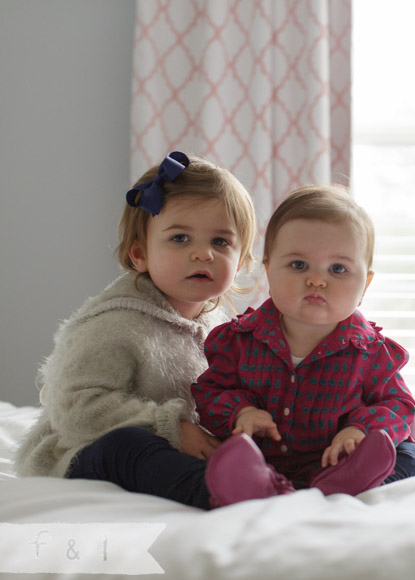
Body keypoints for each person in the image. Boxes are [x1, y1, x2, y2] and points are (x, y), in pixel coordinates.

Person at [14, 151, 294, 509]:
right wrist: (171, 426)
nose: (203, 254)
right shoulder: (113, 324)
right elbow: (75, 408)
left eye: (220, 242)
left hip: (179, 447)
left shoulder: (224, 329)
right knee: (128, 446)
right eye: (180, 238)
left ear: (241, 261)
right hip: (83, 451)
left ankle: (296, 475)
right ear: (139, 254)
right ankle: (215, 490)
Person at [191, 184, 415, 495]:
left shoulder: (373, 353)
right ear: (269, 271)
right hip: (259, 460)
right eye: (299, 265)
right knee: (197, 462)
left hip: (340, 460)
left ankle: (345, 482)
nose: (317, 279)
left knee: (412, 458)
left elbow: (400, 406)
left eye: (338, 269)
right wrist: (241, 411)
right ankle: (257, 485)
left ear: (365, 284)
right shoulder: (237, 341)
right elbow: (210, 392)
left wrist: (361, 429)